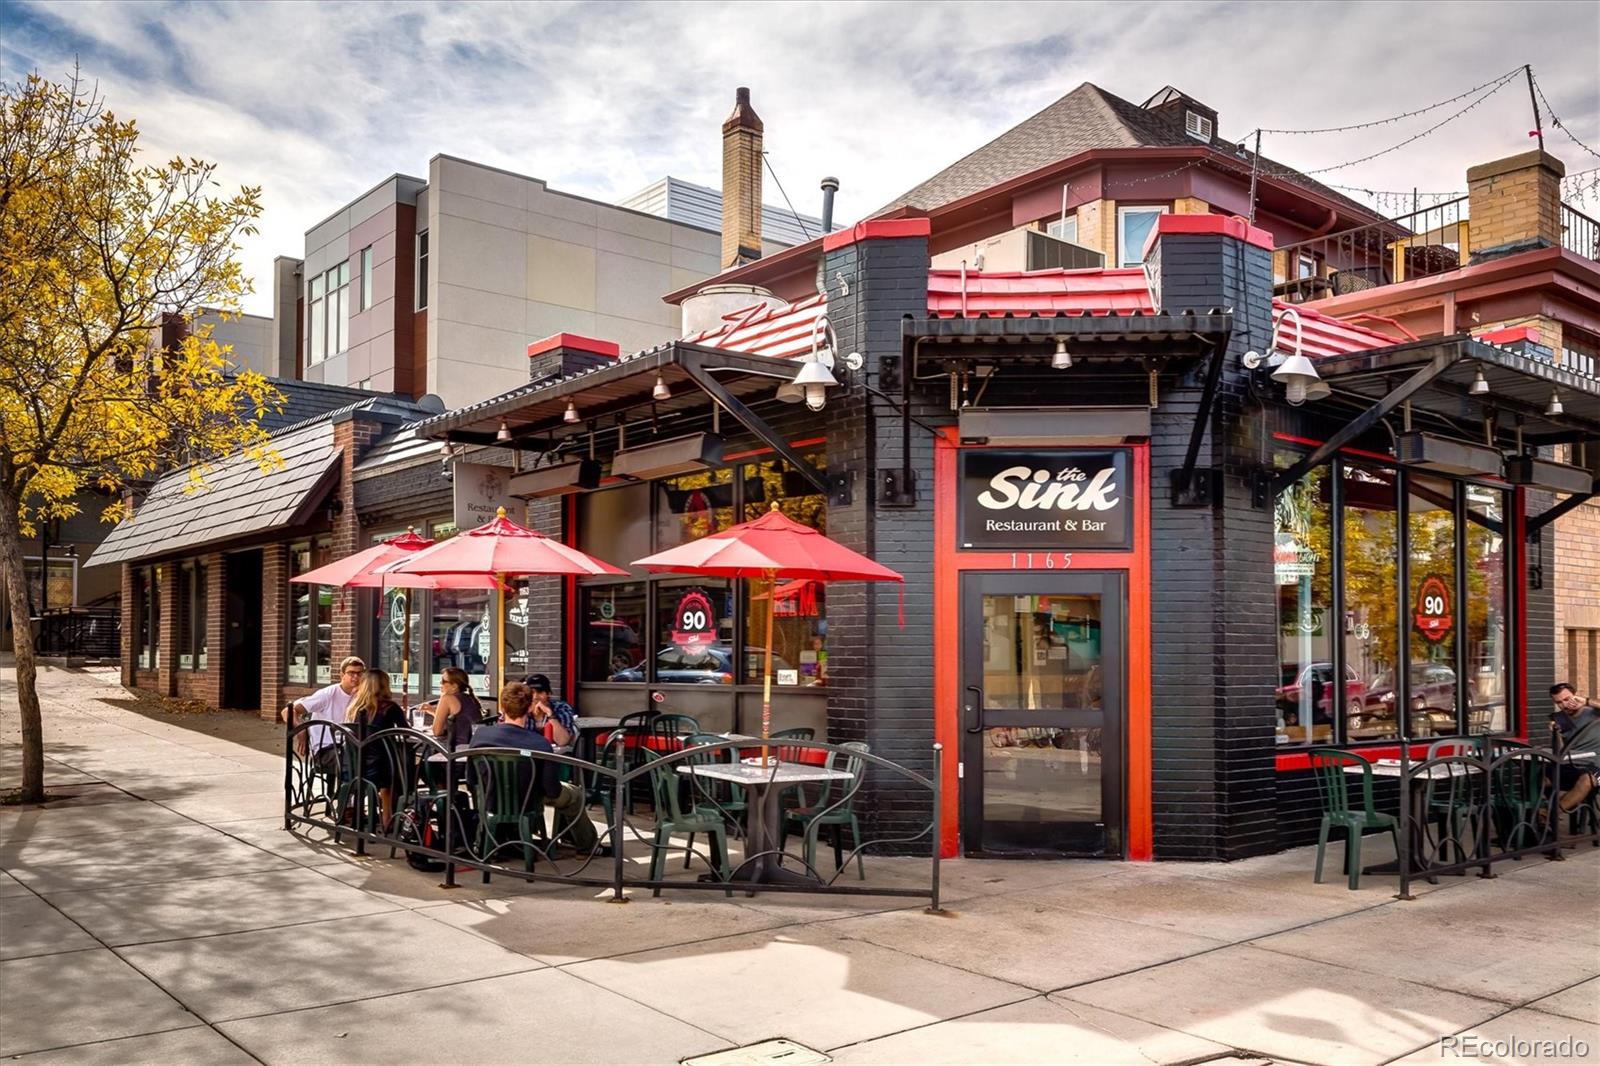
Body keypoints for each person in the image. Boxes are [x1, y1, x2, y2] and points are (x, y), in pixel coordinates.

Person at [470, 683, 599, 854]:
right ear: (530, 706)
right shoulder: (539, 743)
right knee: (575, 795)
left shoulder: (481, 735)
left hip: (492, 796)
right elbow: (552, 790)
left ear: (502, 706)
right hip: (529, 800)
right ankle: (587, 847)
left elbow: (472, 778)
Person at [345, 668, 408, 828]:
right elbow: (406, 732)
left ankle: (363, 820)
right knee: (404, 767)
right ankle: (388, 818)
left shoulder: (356, 708)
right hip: (381, 767)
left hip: (356, 765)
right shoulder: (390, 707)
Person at [286, 656, 366, 768]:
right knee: (359, 761)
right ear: (342, 675)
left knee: (378, 757)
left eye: (360, 673)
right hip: (326, 750)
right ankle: (348, 786)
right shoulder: (328, 694)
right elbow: (287, 711)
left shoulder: (362, 695)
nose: (356, 677)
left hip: (350, 746)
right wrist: (301, 730)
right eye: (351, 673)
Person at [1549, 683, 1600, 812]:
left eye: (1567, 699)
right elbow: (1560, 751)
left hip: (1596, 763)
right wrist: (1556, 734)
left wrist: (1587, 701)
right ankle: (1543, 812)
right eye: (1559, 702)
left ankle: (1549, 814)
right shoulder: (1559, 718)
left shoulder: (1594, 712)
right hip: (1572, 762)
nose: (1564, 705)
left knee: (1587, 780)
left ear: (1575, 695)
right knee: (1540, 777)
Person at [419, 667, 482, 751]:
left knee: (427, 749)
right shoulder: (469, 698)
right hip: (473, 748)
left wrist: (442, 698)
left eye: (443, 681)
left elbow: (437, 732)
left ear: (454, 686)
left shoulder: (447, 698)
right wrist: (434, 712)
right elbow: (459, 721)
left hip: (454, 752)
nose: (440, 683)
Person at [523, 673, 576, 749]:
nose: (535, 697)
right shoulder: (522, 708)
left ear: (549, 694)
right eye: (532, 692)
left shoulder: (561, 707)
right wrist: (523, 714)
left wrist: (550, 714)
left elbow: (563, 741)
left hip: (553, 756)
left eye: (540, 692)